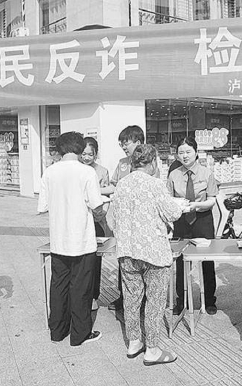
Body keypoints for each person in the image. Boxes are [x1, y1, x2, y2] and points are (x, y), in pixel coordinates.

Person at [107, 144, 182, 365]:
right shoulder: (155, 184)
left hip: (127, 251)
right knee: (154, 301)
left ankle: (134, 342)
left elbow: (112, 219)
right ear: (153, 162)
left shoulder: (121, 185)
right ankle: (152, 348)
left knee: (131, 299)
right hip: (153, 252)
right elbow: (173, 213)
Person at [38, 132, 106, 346]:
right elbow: (96, 205)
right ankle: (80, 334)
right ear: (79, 148)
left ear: (60, 149)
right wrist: (102, 212)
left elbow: (43, 206)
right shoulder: (86, 172)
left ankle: (57, 331)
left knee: (58, 285)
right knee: (81, 287)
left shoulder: (49, 172)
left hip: (59, 239)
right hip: (82, 240)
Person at [107, 125, 159, 311]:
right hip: (125, 220)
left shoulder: (151, 162)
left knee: (144, 262)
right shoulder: (122, 163)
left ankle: (144, 300)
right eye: (121, 144)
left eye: (126, 143)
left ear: (138, 142)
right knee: (125, 259)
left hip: (144, 220)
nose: (123, 147)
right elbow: (114, 185)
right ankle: (124, 297)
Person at [167, 137, 218, 316]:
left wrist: (197, 205)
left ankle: (210, 300)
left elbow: (212, 199)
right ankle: (181, 301)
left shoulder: (206, 173)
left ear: (196, 153)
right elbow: (168, 199)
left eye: (188, 152)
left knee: (207, 260)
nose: (185, 156)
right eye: (181, 152)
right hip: (181, 221)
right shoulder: (173, 175)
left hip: (202, 219)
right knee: (181, 261)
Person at [80, 137, 111, 311]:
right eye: (83, 154)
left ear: (96, 154)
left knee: (95, 260)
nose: (86, 157)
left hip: (97, 218)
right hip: (80, 219)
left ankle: (94, 295)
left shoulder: (102, 171)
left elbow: (107, 192)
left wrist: (94, 192)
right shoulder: (76, 169)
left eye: (90, 154)